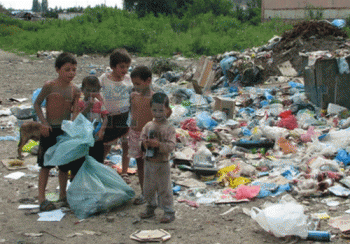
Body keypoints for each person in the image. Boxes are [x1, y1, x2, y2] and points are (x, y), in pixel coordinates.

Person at [34, 52, 82, 211]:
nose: (71, 73)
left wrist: (73, 126)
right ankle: (41, 198)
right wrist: (44, 123)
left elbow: (74, 111)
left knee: (64, 165)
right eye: (67, 69)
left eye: (74, 70)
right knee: (45, 164)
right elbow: (37, 104)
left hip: (64, 130)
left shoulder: (75, 90)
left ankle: (63, 195)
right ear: (57, 69)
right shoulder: (50, 86)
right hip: (49, 129)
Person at [129, 65, 172, 205]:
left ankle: (157, 195)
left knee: (153, 166)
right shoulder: (133, 96)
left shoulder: (155, 98)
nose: (135, 87)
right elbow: (133, 112)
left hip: (151, 137)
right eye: (133, 84)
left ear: (148, 81)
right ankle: (145, 194)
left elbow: (168, 112)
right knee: (140, 165)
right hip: (136, 135)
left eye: (137, 84)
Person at [89, 48, 132, 184]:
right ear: (113, 66)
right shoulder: (104, 78)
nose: (124, 70)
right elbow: (93, 89)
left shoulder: (128, 79)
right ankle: (99, 168)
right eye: (121, 67)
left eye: (127, 67)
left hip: (125, 116)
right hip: (109, 117)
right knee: (107, 144)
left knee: (127, 145)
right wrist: (100, 102)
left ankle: (124, 172)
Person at [139, 92, 176, 223]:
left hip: (162, 163)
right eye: (154, 110)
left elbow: (171, 146)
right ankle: (150, 206)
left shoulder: (169, 127)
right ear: (151, 110)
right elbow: (141, 140)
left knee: (164, 188)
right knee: (148, 187)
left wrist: (159, 145)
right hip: (149, 162)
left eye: (161, 110)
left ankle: (168, 211)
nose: (158, 113)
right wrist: (144, 144)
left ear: (167, 110)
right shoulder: (148, 125)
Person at [72, 75, 108, 141]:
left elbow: (105, 118)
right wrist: (88, 107)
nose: (90, 93)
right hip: (82, 134)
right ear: (82, 89)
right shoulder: (80, 104)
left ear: (98, 91)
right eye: (88, 90)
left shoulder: (99, 104)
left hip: (96, 133)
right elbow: (77, 118)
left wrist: (102, 130)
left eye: (94, 91)